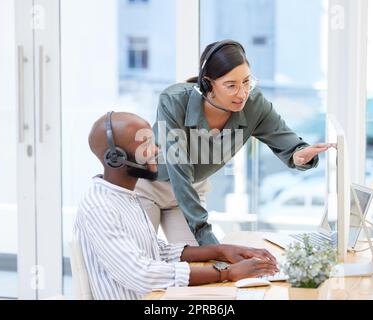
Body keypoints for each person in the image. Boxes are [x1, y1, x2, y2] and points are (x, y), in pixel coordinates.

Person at [135, 39, 332, 246]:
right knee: (144, 257)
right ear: (208, 83)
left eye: (246, 82)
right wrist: (207, 237)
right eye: (231, 86)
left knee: (198, 265)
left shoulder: (254, 105)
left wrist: (299, 154)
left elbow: (286, 140)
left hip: (190, 191)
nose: (242, 93)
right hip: (151, 187)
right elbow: (179, 168)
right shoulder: (174, 100)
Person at [74, 111, 279, 300]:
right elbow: (142, 273)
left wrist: (221, 251)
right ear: (116, 158)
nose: (156, 150)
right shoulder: (99, 206)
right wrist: (228, 273)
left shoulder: (125, 197)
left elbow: (156, 251)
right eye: (145, 144)